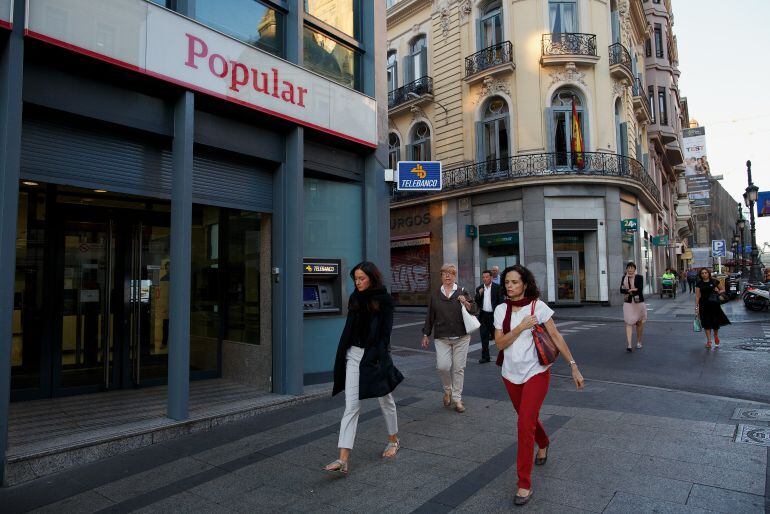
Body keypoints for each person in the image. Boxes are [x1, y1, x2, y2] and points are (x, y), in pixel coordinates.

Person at [493, 264, 584, 506]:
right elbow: (500, 344)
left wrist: (573, 365)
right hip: (510, 374)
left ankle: (524, 484)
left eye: (514, 282)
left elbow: (556, 336)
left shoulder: (538, 306)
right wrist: (521, 327)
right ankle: (543, 442)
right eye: (507, 282)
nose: (509, 286)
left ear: (524, 283)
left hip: (537, 372)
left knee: (524, 423)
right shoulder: (501, 310)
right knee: (528, 419)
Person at [324, 262, 403, 476]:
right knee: (351, 406)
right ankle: (343, 459)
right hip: (353, 355)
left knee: (385, 400)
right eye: (355, 279)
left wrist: (376, 357)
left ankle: (393, 440)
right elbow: (349, 329)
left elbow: (385, 335)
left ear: (372, 278)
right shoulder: (355, 299)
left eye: (361, 278)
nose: (358, 282)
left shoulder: (384, 300)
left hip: (375, 357)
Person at [421, 263, 477, 413]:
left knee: (459, 369)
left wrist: (465, 302)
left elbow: (475, 309)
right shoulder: (435, 295)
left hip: (461, 337)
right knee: (442, 366)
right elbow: (430, 316)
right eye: (445, 273)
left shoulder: (462, 291)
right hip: (442, 337)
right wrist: (426, 334)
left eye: (451, 273)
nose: (448, 276)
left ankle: (457, 399)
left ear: (455, 276)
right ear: (441, 276)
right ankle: (448, 390)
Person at [695, 267, 730, 350]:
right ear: (700, 275)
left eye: (705, 273)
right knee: (706, 323)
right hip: (704, 305)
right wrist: (696, 307)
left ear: (708, 273)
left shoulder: (714, 281)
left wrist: (718, 292)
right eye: (702, 273)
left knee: (715, 322)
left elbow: (722, 289)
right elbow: (697, 296)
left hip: (714, 304)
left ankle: (716, 336)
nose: (704, 274)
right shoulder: (699, 283)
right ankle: (709, 341)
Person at [474, 270, 502, 363]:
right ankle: (485, 357)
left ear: (491, 277)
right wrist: (479, 294)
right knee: (484, 337)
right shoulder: (479, 288)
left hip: (494, 316)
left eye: (487, 277)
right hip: (483, 316)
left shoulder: (497, 288)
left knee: (498, 337)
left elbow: (501, 302)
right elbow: (476, 301)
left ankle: (503, 357)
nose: (485, 279)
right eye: (483, 277)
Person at [620, 262, 646, 352]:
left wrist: (629, 290)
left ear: (635, 269)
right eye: (628, 268)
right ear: (627, 269)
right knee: (628, 323)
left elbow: (640, 289)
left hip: (638, 303)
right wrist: (631, 290)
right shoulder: (624, 278)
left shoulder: (639, 277)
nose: (630, 269)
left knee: (639, 323)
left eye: (632, 268)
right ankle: (629, 344)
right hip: (628, 303)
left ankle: (639, 341)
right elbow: (621, 290)